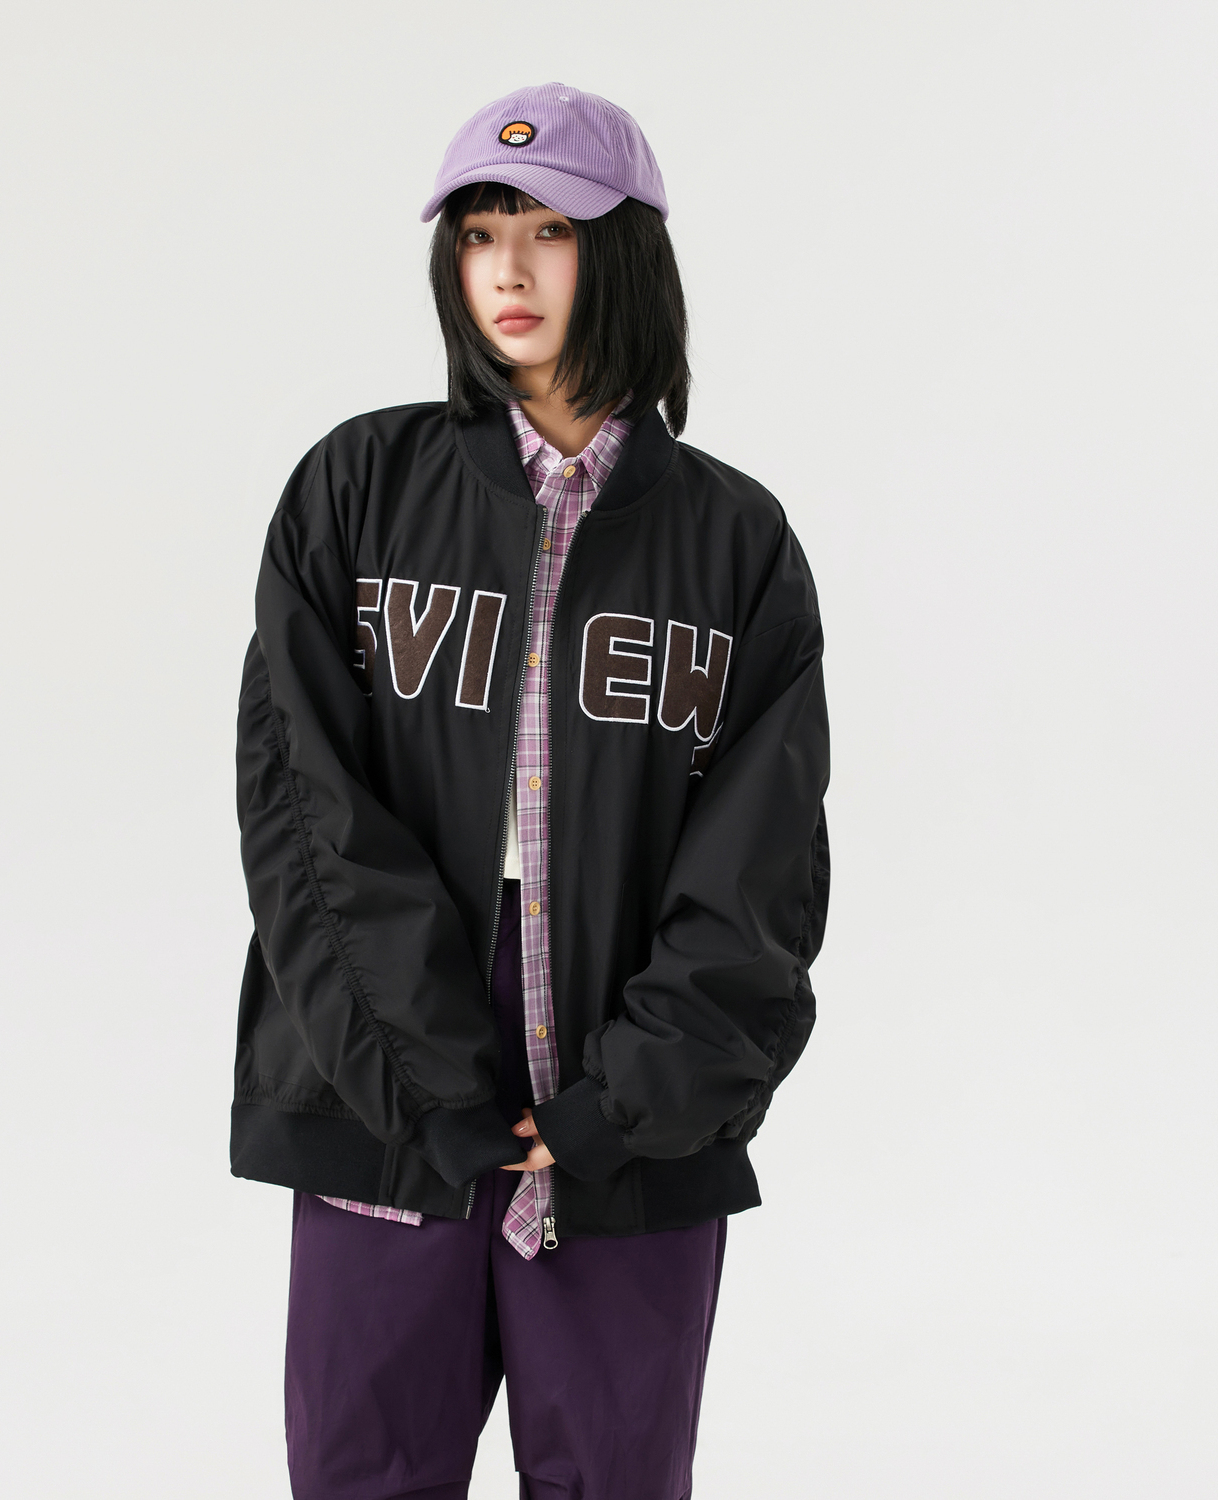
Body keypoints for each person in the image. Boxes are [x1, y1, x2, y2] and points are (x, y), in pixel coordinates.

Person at [233, 81, 830, 1500]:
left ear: (621, 251)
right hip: (382, 1057)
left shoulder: (736, 544)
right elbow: (305, 811)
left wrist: (625, 1100)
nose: (506, 268)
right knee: (365, 1475)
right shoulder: (356, 491)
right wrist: (420, 1082)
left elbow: (759, 873)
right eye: (478, 232)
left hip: (635, 1086)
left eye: (550, 230)